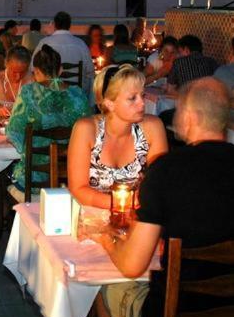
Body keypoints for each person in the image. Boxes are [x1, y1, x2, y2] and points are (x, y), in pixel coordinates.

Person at [89, 78, 234, 317]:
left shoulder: (166, 172)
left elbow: (132, 265)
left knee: (104, 288)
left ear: (189, 117)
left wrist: (106, 239)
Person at [67, 65, 168, 209]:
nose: (142, 103)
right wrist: (124, 204)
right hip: (92, 217)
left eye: (142, 95)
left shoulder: (152, 127)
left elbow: (160, 182)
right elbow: (78, 189)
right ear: (109, 103)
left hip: (135, 217)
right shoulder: (87, 129)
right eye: (132, 98)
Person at [5, 45, 92, 194]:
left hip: (35, 182)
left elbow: (14, 132)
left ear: (36, 71)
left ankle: (16, 214)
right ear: (60, 70)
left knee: (6, 170)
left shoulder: (28, 93)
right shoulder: (77, 95)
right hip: (71, 180)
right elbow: (90, 132)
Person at [33, 11, 95, 93]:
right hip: (75, 95)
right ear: (69, 25)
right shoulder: (80, 44)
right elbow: (90, 72)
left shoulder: (44, 43)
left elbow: (33, 68)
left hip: (48, 94)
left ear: (54, 25)